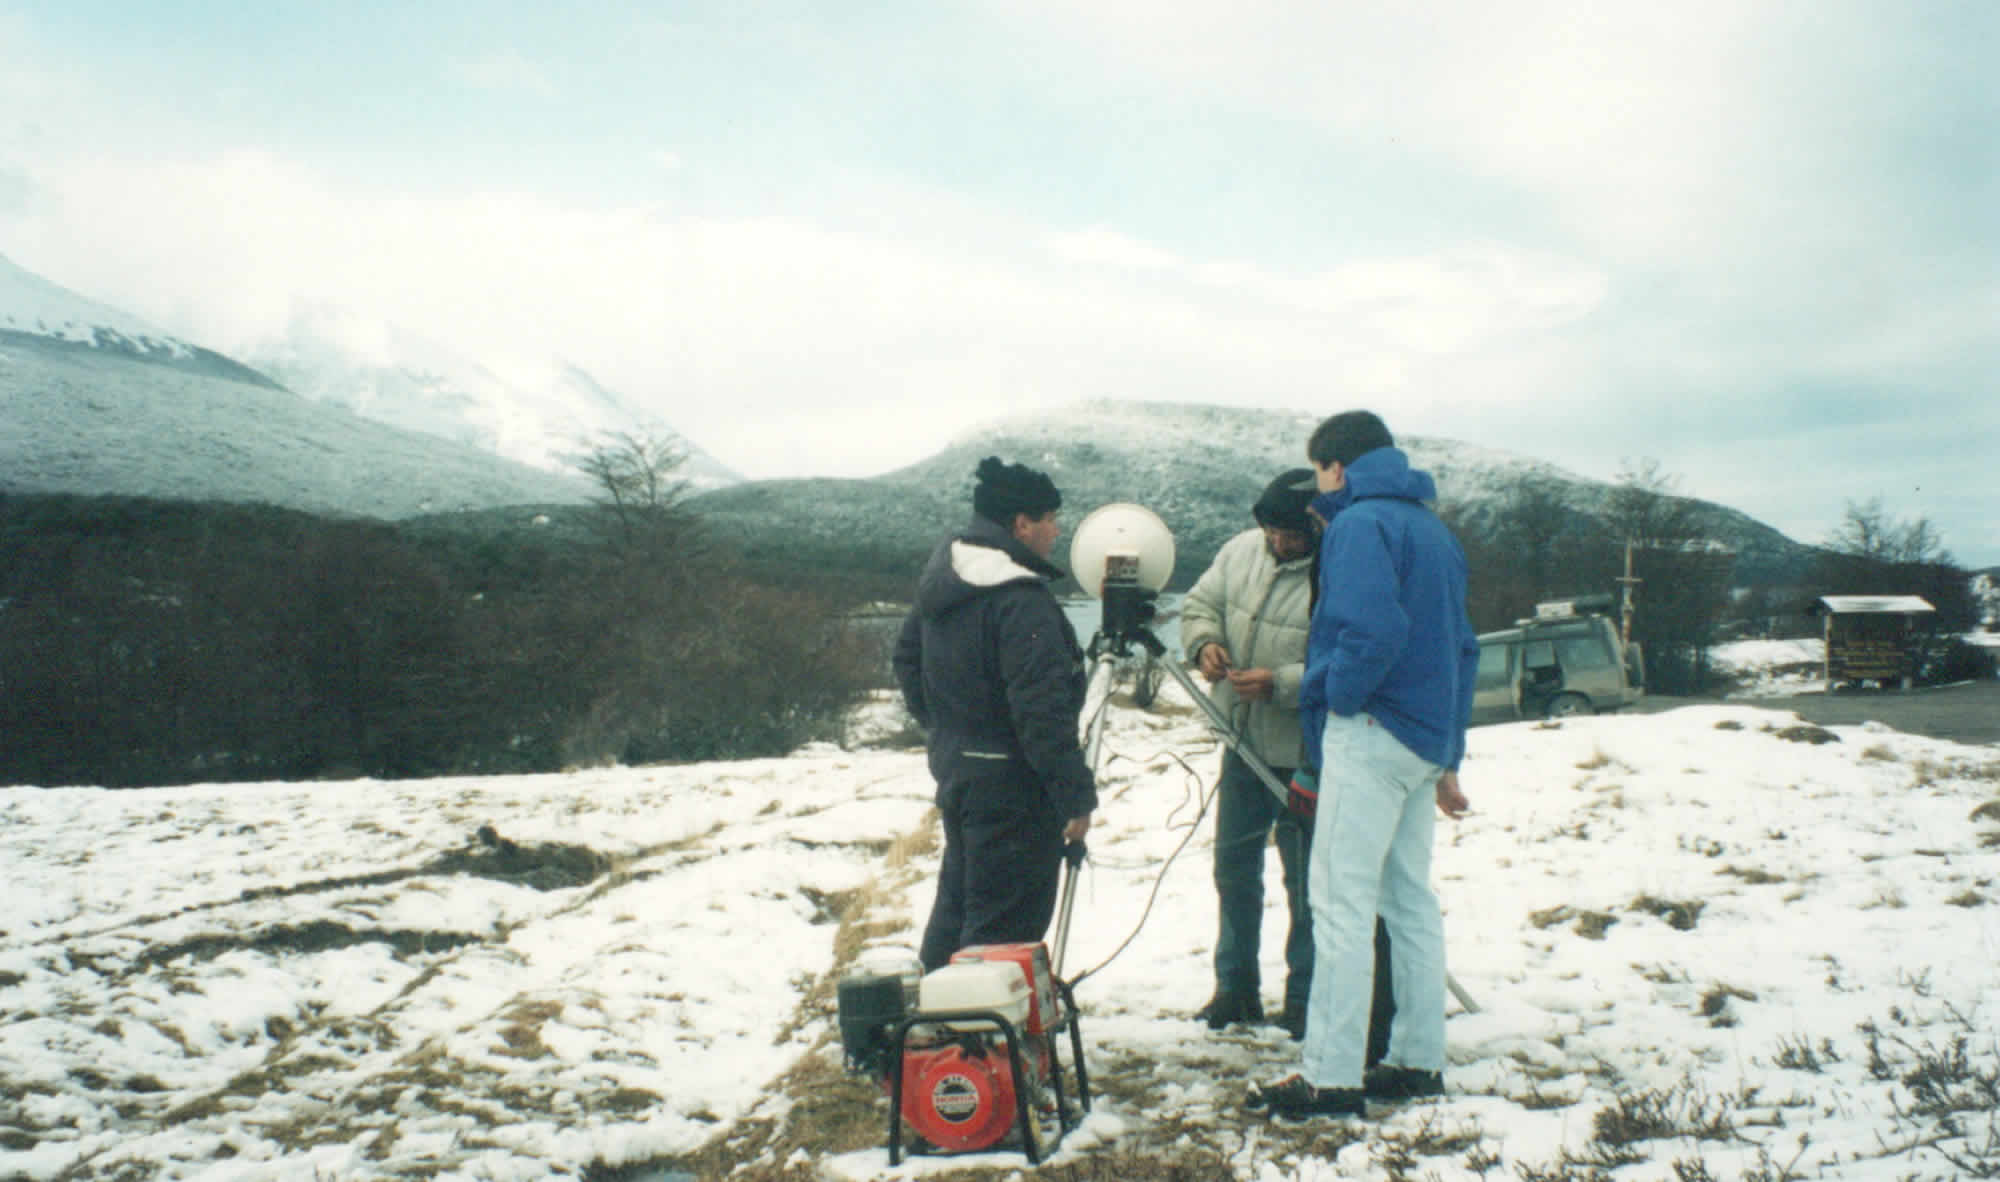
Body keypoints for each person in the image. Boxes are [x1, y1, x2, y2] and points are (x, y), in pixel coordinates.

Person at [1251, 410, 1478, 1122]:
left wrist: (1337, 699)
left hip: (1370, 733)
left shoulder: (1356, 525)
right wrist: (1449, 751)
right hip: (1422, 741)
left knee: (1340, 904)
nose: (1319, 488)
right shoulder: (1432, 531)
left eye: (1319, 473)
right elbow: (1463, 648)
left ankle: (1330, 1075)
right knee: (1408, 900)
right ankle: (1417, 1059)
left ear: (1336, 468)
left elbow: (1371, 631)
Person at [893, 456, 1097, 972]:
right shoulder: (1019, 598)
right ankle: (974, 1045)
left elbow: (906, 659)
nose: (1057, 530)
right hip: (1014, 789)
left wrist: (948, 731)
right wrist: (1074, 796)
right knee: (1001, 932)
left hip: (963, 774)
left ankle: (930, 1037)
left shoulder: (947, 582)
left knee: (958, 911)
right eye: (1049, 518)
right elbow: (1041, 711)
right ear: (1020, 524)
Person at [1178, 468, 1318, 1038]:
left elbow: (1349, 663)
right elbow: (1198, 604)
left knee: (1306, 881)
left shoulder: (1335, 570)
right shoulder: (1240, 551)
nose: (1279, 544)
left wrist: (1283, 682)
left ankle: (1307, 997)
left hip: (1307, 752)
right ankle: (1235, 990)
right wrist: (1204, 643)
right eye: (1271, 531)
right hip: (1242, 743)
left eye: (1292, 535)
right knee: (1233, 868)